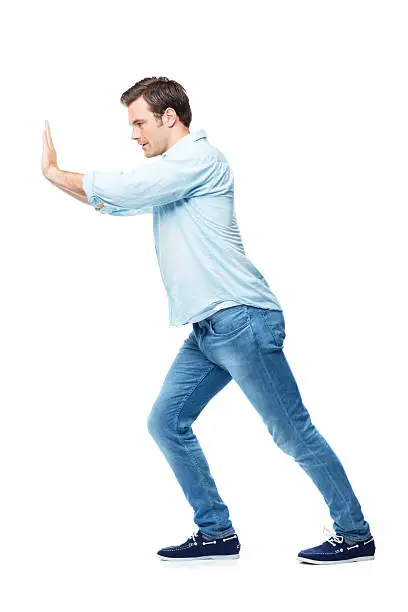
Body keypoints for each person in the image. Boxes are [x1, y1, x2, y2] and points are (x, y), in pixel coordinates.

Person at [42, 76, 375, 565]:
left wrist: (53, 172)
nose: (134, 135)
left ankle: (355, 532)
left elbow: (128, 188)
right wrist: (63, 183)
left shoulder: (198, 159)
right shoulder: (171, 174)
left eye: (138, 123)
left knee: (292, 432)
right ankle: (216, 532)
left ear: (169, 117)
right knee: (166, 421)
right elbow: (113, 202)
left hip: (241, 320)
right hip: (208, 330)